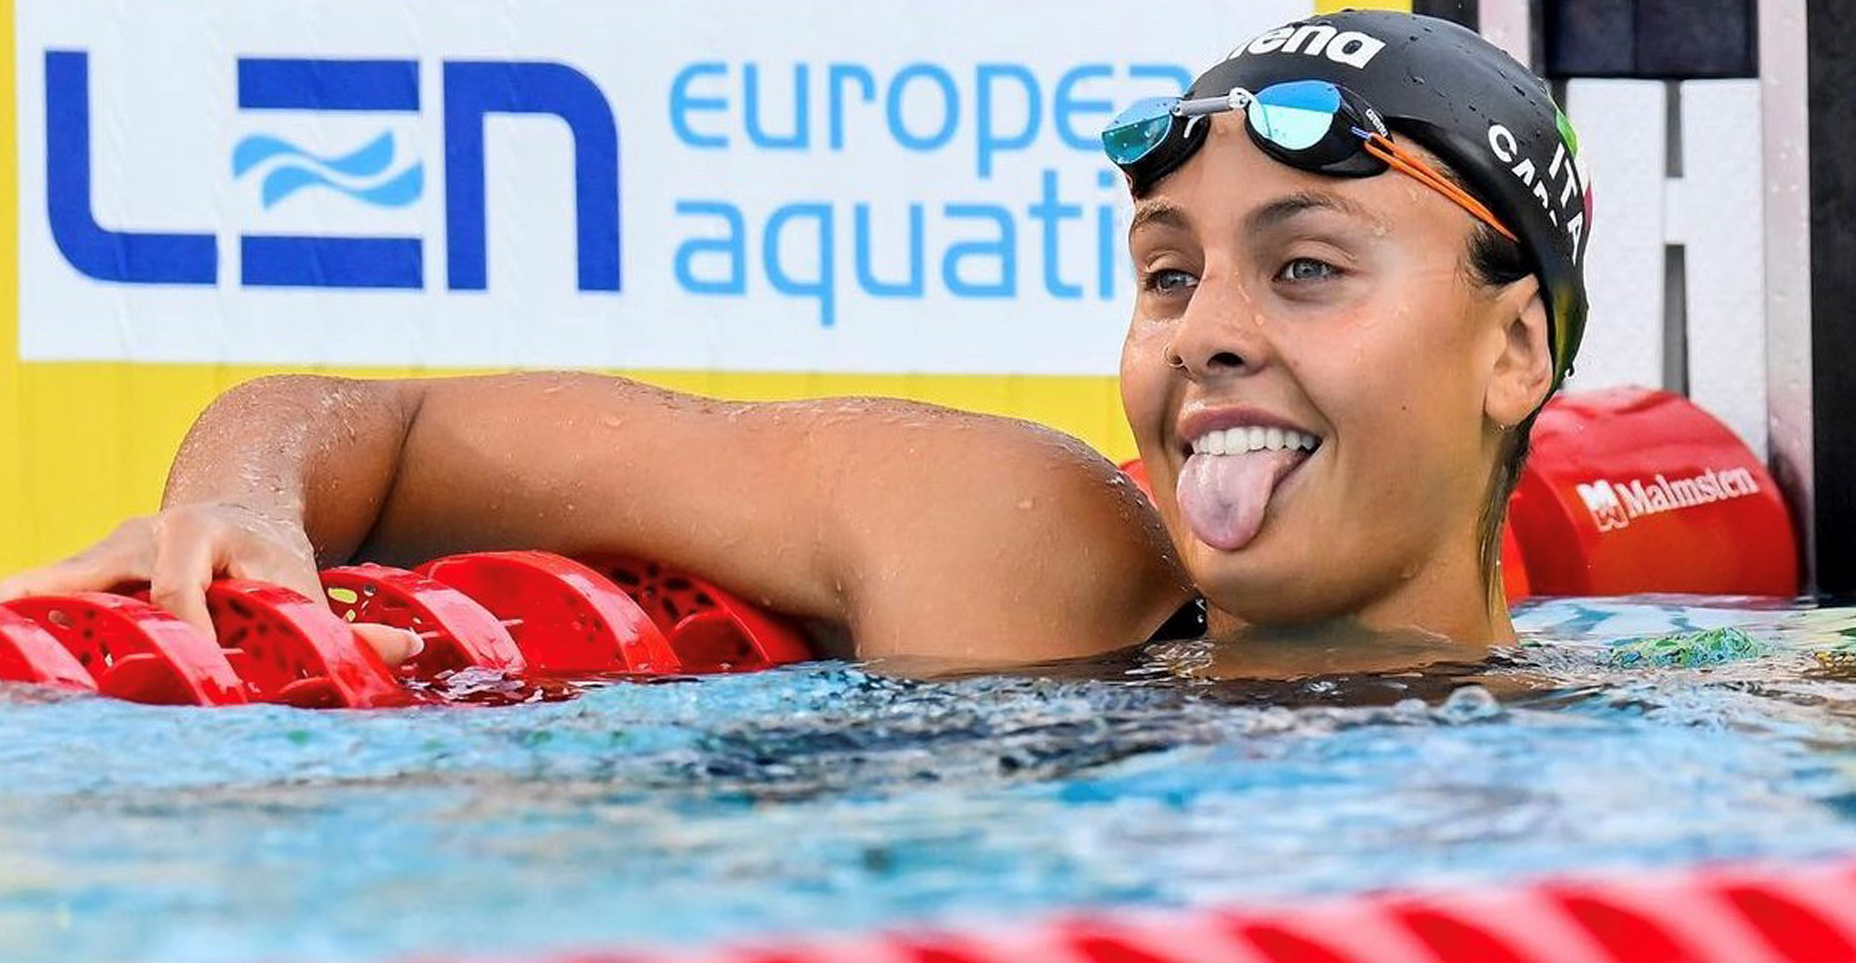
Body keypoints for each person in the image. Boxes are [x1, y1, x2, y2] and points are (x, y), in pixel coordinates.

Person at [0, 11, 1587, 670]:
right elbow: (380, 420)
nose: (1206, 340)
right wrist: (244, 498)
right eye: (1166, 278)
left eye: (1305, 270)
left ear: (1516, 352)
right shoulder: (1009, 552)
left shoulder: (1639, 781)